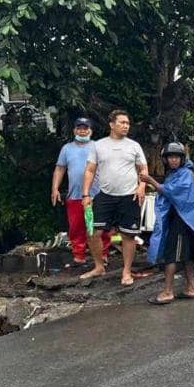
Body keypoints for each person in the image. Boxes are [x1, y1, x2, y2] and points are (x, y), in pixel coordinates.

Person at [142, 143, 194, 305]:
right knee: (186, 256)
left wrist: (151, 181)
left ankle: (168, 291)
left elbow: (171, 192)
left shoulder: (185, 174)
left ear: (182, 159)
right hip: (183, 220)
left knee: (171, 256)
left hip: (182, 221)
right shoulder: (177, 173)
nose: (173, 160)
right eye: (170, 157)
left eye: (176, 157)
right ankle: (191, 287)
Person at [80, 110, 147, 285]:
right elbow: (89, 170)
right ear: (112, 124)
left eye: (127, 123)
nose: (126, 126)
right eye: (122, 122)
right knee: (93, 232)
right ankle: (98, 266)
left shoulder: (134, 146)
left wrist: (141, 187)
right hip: (105, 195)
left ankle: (126, 272)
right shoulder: (99, 145)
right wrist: (86, 194)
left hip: (129, 196)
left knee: (128, 235)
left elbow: (143, 170)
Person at [51, 117, 111, 266]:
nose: (82, 131)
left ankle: (103, 253)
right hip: (75, 194)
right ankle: (79, 254)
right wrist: (55, 189)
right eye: (79, 128)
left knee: (101, 226)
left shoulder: (98, 147)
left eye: (85, 128)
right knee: (76, 226)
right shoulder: (67, 148)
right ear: (74, 130)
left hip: (97, 194)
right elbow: (60, 168)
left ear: (90, 130)